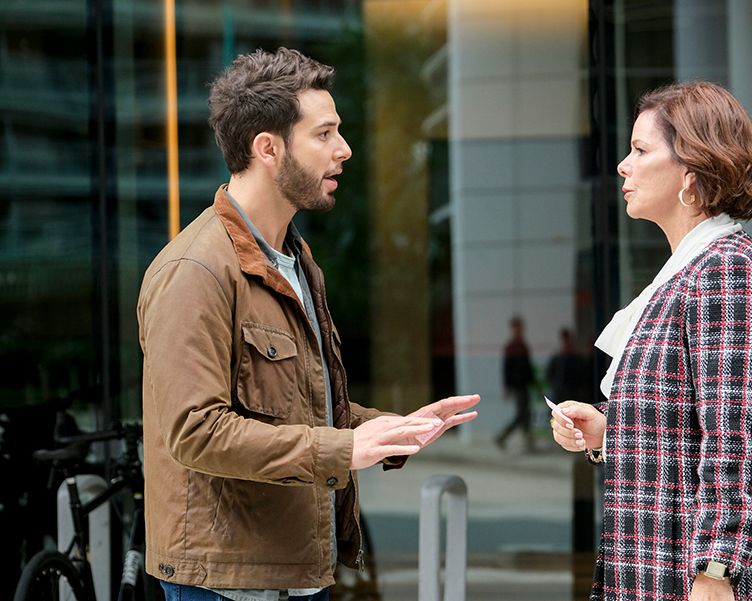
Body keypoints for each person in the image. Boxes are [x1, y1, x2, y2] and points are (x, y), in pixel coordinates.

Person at [137, 47, 479, 601]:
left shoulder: (295, 260)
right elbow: (195, 431)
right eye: (324, 134)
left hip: (296, 575)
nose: (344, 149)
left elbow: (297, 408)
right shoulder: (194, 270)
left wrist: (390, 430)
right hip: (227, 585)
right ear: (267, 149)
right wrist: (343, 450)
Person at [549, 82, 752, 601]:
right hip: (665, 567)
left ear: (691, 171)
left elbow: (735, 445)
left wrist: (717, 573)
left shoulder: (725, 269)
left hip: (709, 579)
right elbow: (691, 429)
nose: (622, 166)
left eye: (640, 150)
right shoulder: (691, 271)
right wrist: (609, 432)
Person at [495, 316, 535, 451]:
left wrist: (533, 382)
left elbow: (528, 367)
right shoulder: (511, 347)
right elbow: (506, 369)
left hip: (524, 384)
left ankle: (527, 440)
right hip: (517, 385)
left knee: (525, 413)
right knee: (521, 414)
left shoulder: (523, 346)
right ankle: (503, 436)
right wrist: (507, 387)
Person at [545, 328, 582, 405]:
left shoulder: (576, 358)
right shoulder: (557, 358)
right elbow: (549, 374)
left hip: (573, 392)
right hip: (559, 392)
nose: (567, 342)